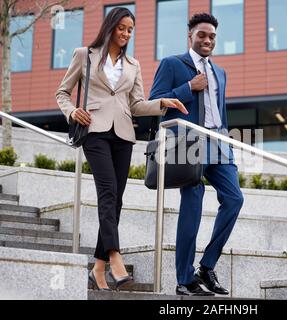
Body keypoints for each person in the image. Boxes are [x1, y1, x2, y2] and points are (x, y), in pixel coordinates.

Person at [56, 7, 187, 291]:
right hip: (94, 131)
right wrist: (72, 111)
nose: (126, 34)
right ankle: (115, 255)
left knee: (117, 200)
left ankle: (98, 268)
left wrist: (163, 103)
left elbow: (137, 104)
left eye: (130, 30)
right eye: (122, 28)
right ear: (111, 26)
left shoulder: (133, 65)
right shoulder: (84, 55)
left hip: (124, 135)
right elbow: (62, 92)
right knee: (107, 192)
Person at [150, 13, 244, 296]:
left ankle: (207, 265)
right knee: (192, 204)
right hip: (188, 143)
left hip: (218, 142)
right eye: (202, 35)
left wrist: (227, 141)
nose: (207, 40)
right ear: (190, 37)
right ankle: (184, 278)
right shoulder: (173, 64)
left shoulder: (220, 72)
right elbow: (156, 103)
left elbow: (220, 112)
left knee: (234, 198)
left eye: (212, 36)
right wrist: (189, 88)